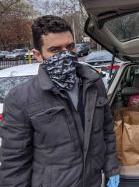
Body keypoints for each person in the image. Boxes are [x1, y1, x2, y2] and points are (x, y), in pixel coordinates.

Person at [0, 15, 120, 187]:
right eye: (55, 50)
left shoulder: (93, 84)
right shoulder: (20, 98)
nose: (66, 55)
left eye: (70, 47)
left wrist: (112, 169)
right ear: (37, 55)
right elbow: (14, 163)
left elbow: (106, 132)